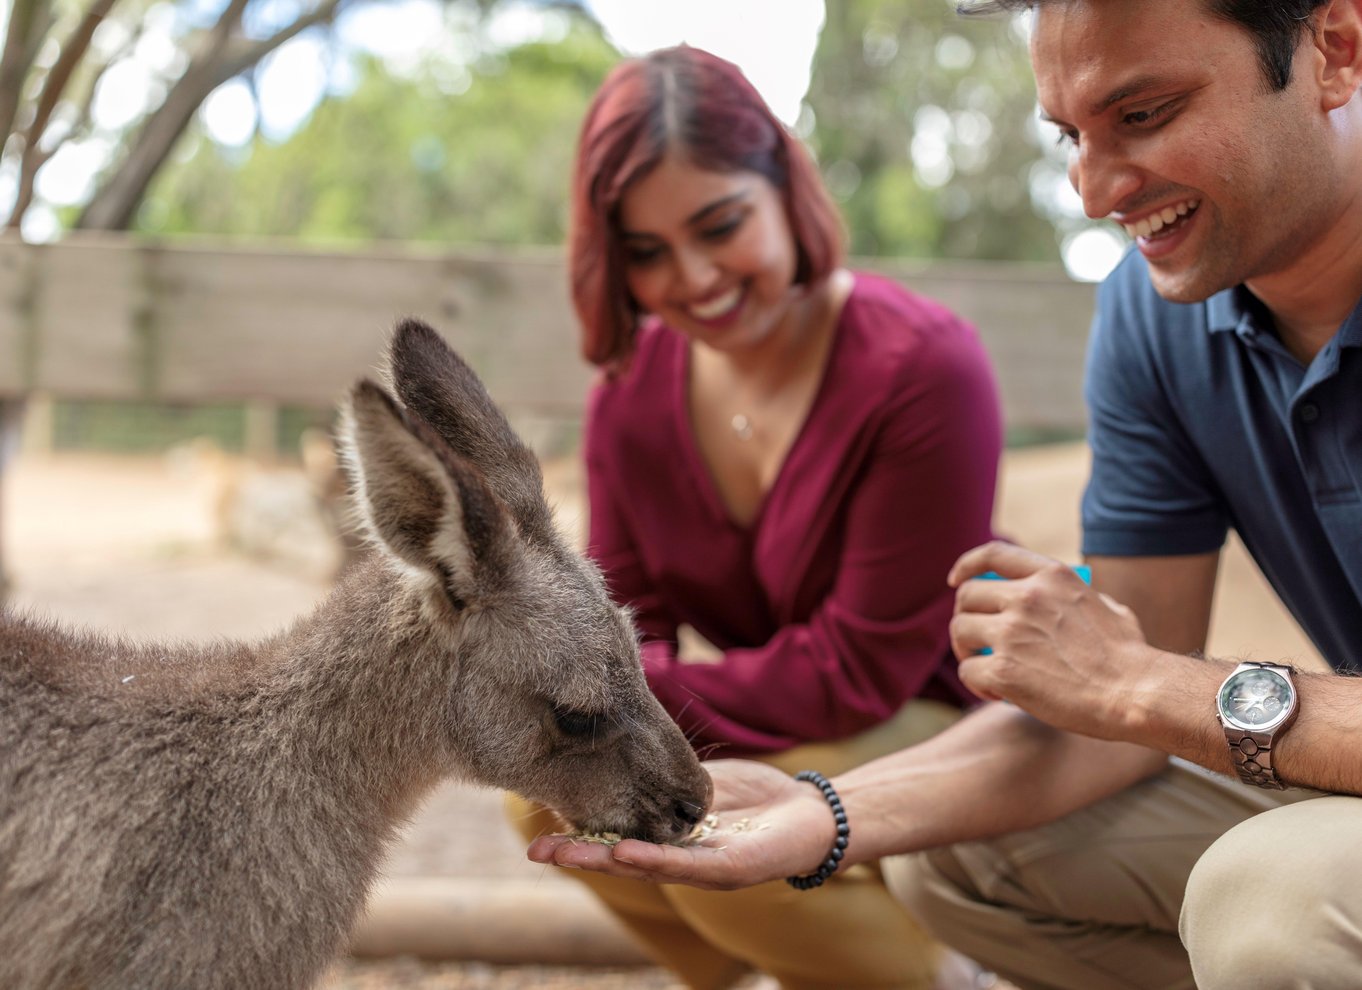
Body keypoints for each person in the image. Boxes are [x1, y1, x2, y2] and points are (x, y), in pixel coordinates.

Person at [530, 3, 1362, 989]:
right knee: (953, 863)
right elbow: (1112, 707)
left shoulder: (914, 360)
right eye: (1069, 136)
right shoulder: (1154, 315)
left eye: (1145, 113)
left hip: (926, 710)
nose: (1093, 193)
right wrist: (824, 815)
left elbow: (1126, 682)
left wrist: (1147, 685)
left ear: (1336, 50)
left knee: (1271, 902)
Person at [507, 44, 1004, 990]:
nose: (691, 279)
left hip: (931, 716)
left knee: (710, 826)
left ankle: (946, 975)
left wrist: (614, 703)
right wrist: (599, 709)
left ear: (784, 182)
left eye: (719, 225)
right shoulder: (628, 396)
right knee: (547, 800)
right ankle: (772, 972)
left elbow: (859, 668)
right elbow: (626, 623)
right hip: (777, 712)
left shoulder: (926, 370)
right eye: (647, 253)